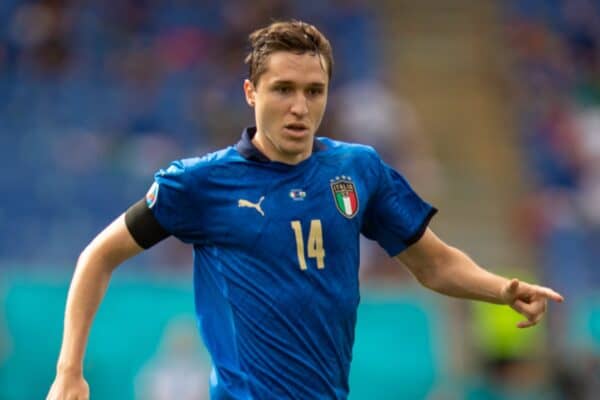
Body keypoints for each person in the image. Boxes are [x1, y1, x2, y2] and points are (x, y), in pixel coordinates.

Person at [46, 20, 564, 400]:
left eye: (313, 91)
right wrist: (69, 370)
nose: (300, 106)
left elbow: (433, 263)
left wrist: (502, 289)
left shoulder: (357, 170)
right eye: (283, 90)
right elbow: (98, 256)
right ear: (251, 93)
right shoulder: (200, 183)